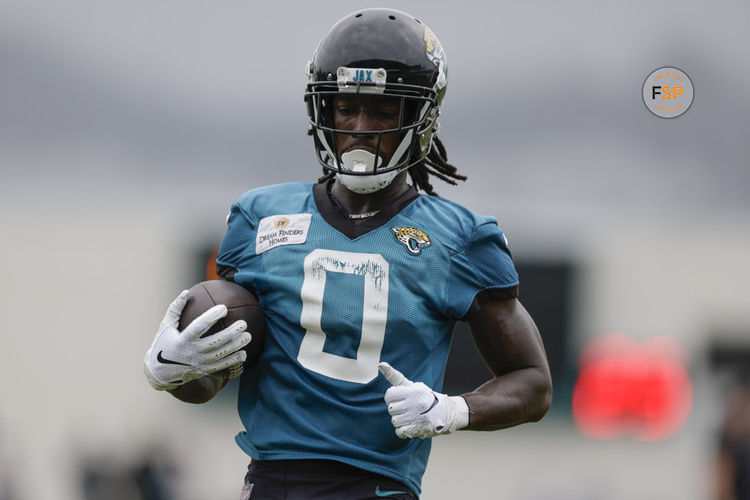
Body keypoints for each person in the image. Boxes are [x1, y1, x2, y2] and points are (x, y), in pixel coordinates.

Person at [143, 8, 552, 499]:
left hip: (378, 487)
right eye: (345, 107)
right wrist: (174, 370)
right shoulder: (259, 216)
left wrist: (452, 410)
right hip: (274, 483)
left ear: (420, 118)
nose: (361, 126)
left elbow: (533, 383)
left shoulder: (460, 237)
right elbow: (214, 380)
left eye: (383, 110)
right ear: (323, 111)